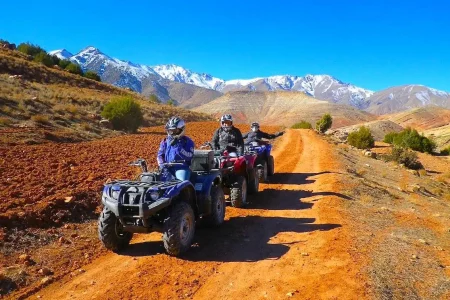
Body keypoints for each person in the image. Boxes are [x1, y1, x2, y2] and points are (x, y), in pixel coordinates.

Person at [157, 116, 195, 181]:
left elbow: (190, 156)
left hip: (181, 168)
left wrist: (179, 149)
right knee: (157, 182)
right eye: (170, 130)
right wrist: (162, 165)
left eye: (175, 130)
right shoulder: (165, 141)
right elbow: (160, 155)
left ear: (181, 129)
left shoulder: (188, 141)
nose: (172, 133)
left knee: (182, 184)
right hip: (167, 168)